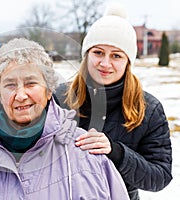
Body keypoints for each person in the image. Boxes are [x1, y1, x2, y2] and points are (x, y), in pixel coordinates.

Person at [0, 38, 129, 200]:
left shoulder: (85, 153)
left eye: (31, 83)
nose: (21, 95)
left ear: (49, 90)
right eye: (10, 84)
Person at [54, 4, 173, 200]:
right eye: (98, 52)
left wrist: (117, 152)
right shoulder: (59, 97)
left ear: (128, 61)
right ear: (86, 55)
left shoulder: (149, 109)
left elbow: (160, 176)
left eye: (116, 55)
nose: (105, 63)